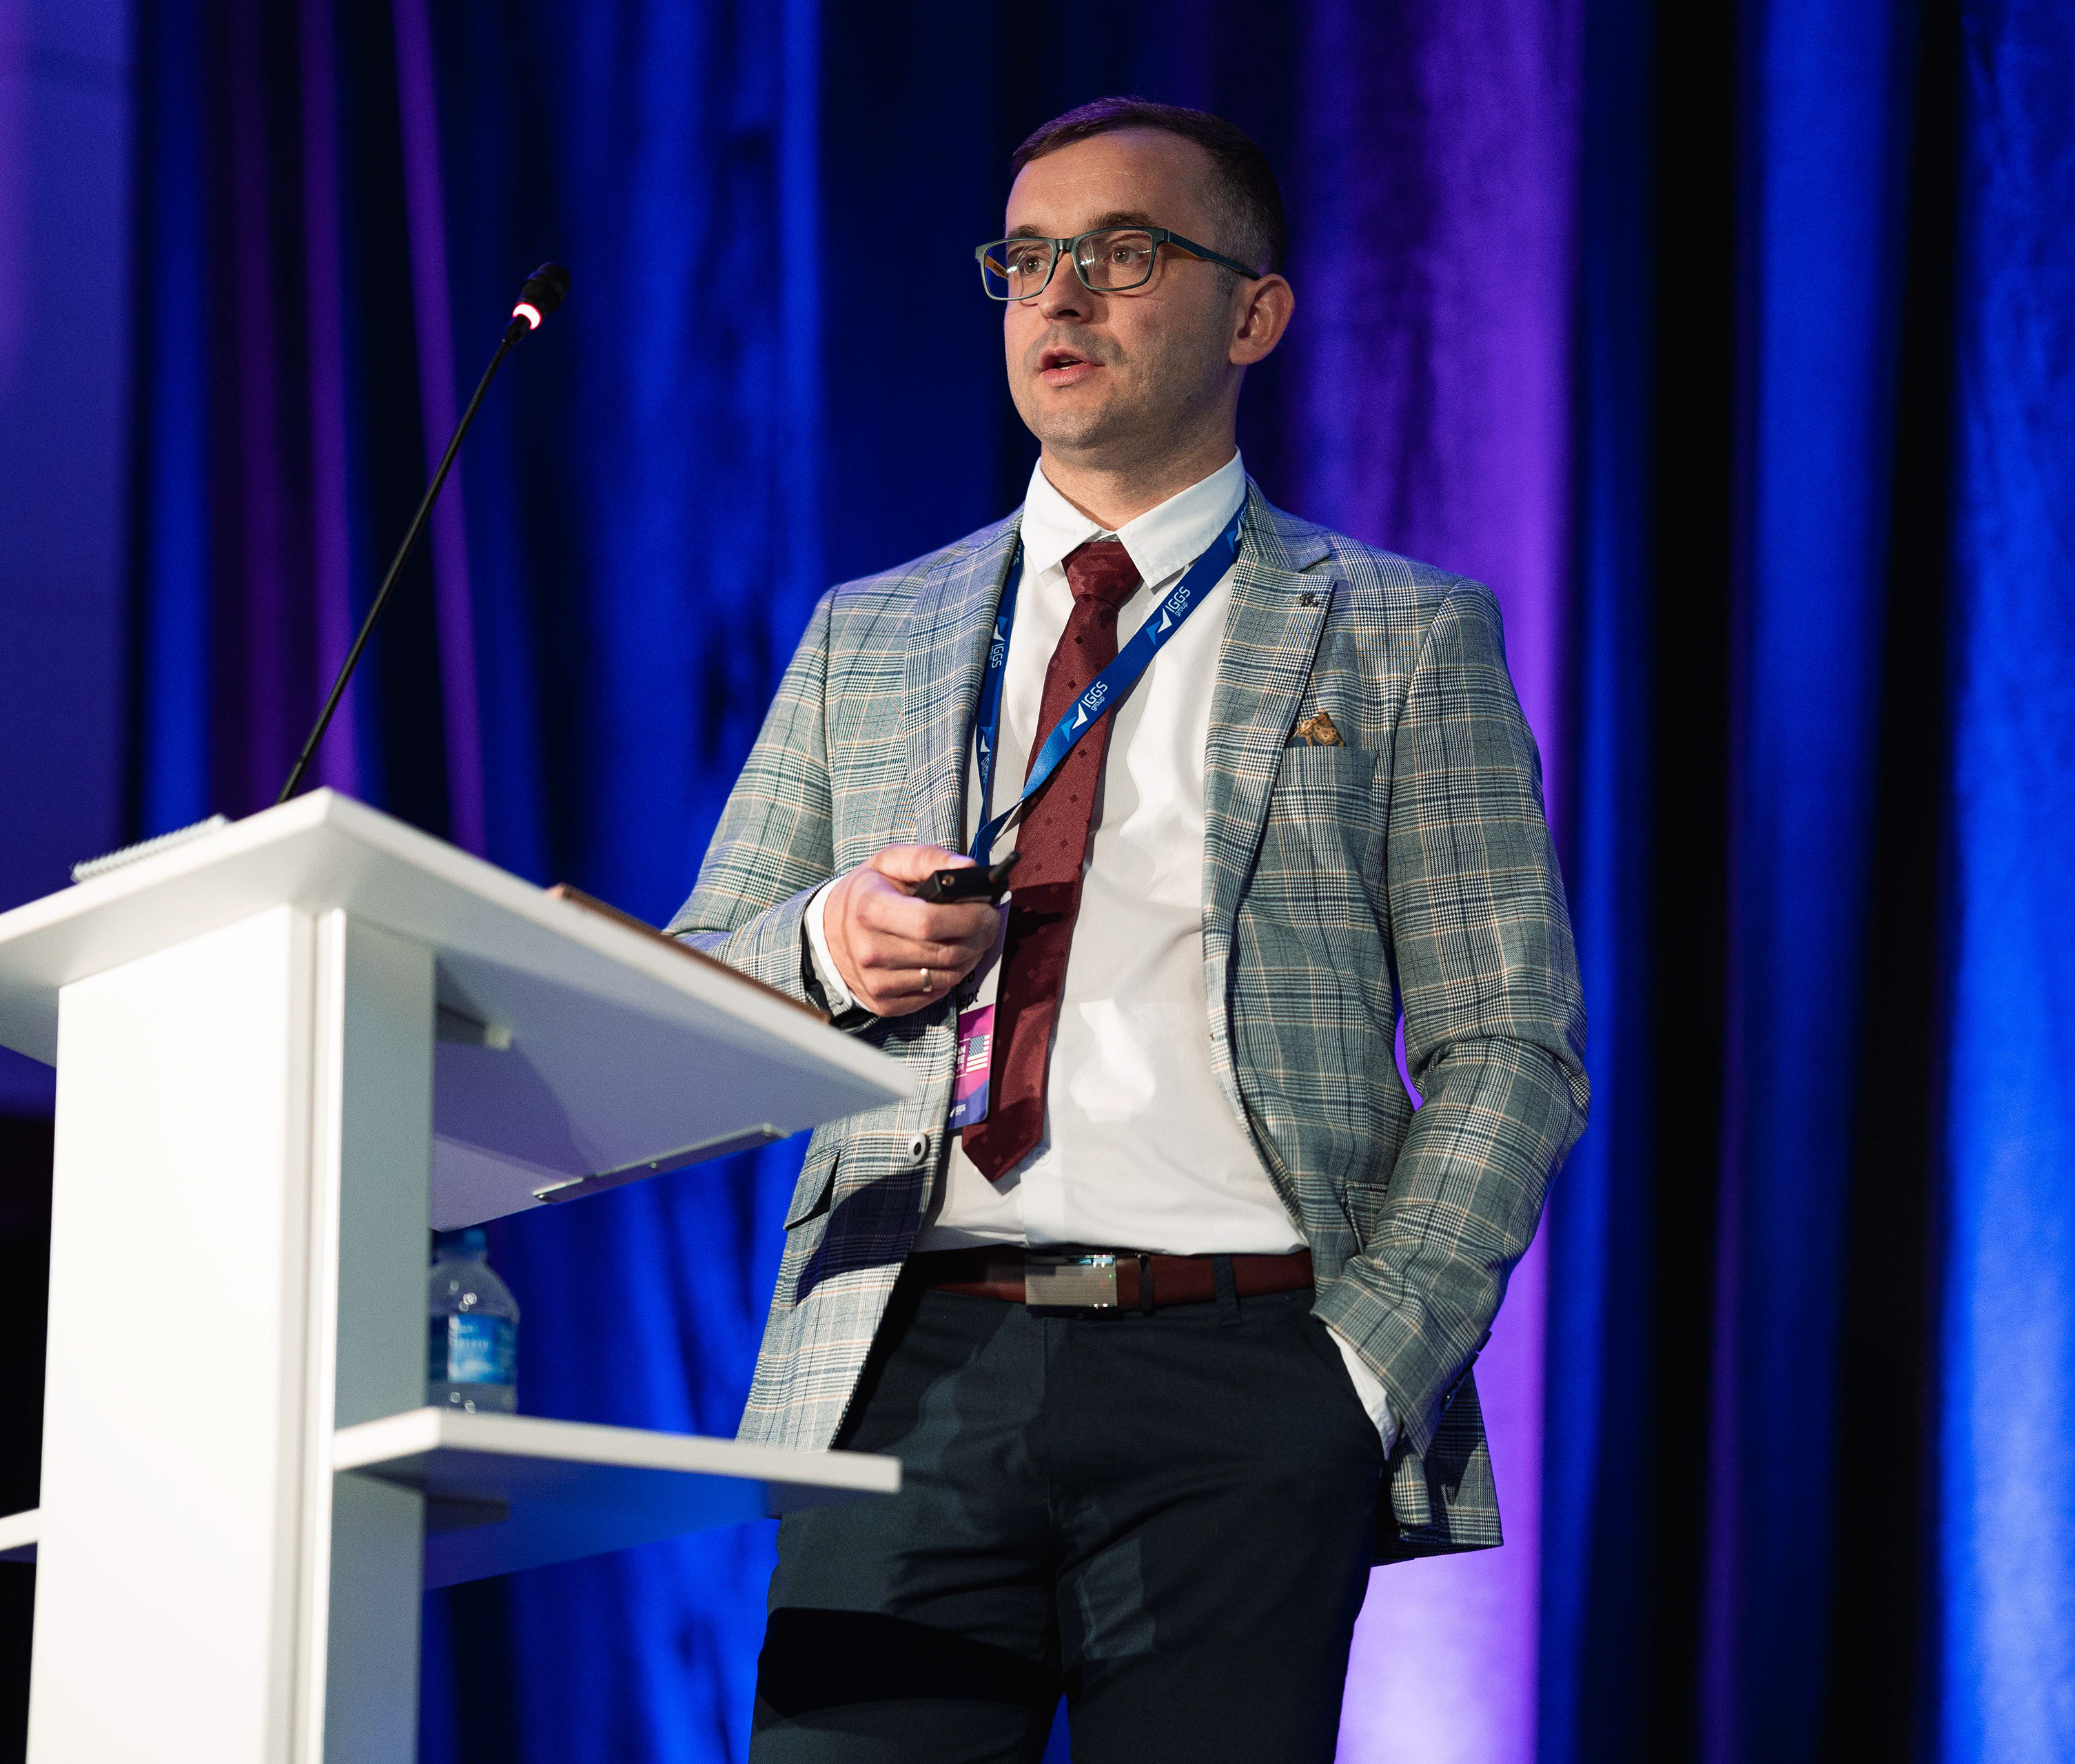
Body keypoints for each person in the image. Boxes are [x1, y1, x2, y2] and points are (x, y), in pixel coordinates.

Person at [669, 94, 1586, 1763]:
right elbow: (688, 987)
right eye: (1027, 259)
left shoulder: (1399, 633)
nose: (1062, 295)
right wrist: (821, 943)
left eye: (1126, 252)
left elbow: (1510, 1042)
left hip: (1244, 1369)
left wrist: (1365, 1365)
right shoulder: (870, 632)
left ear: (1255, 313)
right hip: (910, 1353)